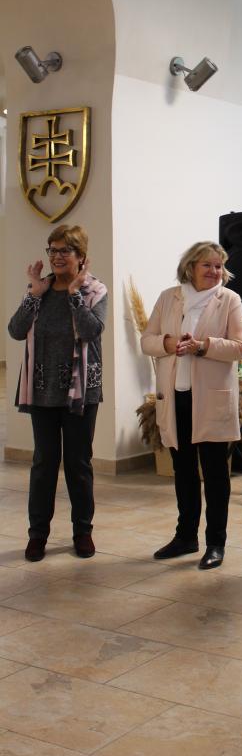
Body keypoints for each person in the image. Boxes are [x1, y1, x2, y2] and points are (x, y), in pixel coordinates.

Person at [141, 241, 242, 569]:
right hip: (176, 398)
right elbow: (147, 341)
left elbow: (241, 348)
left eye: (219, 265)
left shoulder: (229, 299)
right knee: (183, 470)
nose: (214, 271)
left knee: (215, 473)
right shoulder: (169, 297)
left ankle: (216, 543)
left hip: (211, 400)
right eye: (207, 265)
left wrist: (202, 346)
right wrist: (169, 343)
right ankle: (185, 537)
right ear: (190, 267)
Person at [8, 224, 108, 562]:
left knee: (78, 464)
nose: (57, 256)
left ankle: (83, 532)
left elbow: (92, 331)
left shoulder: (95, 291)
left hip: (81, 392)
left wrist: (75, 293)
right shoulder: (40, 290)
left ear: (81, 256)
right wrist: (33, 295)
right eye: (53, 250)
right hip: (42, 390)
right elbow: (15, 330)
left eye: (65, 250)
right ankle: (38, 535)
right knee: (43, 464)